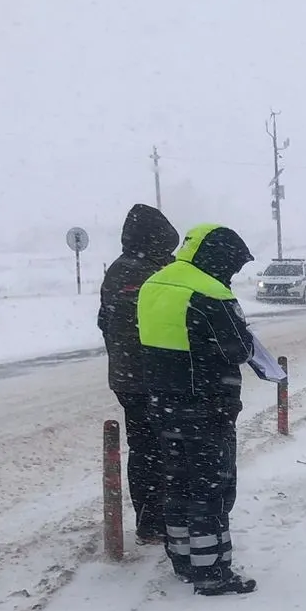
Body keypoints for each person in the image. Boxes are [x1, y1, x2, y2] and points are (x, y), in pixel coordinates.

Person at [136, 222, 259, 595]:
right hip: (207, 407)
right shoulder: (209, 292)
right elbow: (239, 349)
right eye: (233, 266)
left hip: (162, 405)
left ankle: (183, 561)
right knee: (211, 490)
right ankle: (212, 572)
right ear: (218, 258)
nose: (233, 274)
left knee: (177, 483)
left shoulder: (154, 283)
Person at [97, 203, 180, 544]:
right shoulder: (146, 273)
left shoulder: (119, 270)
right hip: (152, 377)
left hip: (128, 377)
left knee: (145, 447)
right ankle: (159, 521)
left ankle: (152, 520)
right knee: (160, 449)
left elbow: (106, 322)